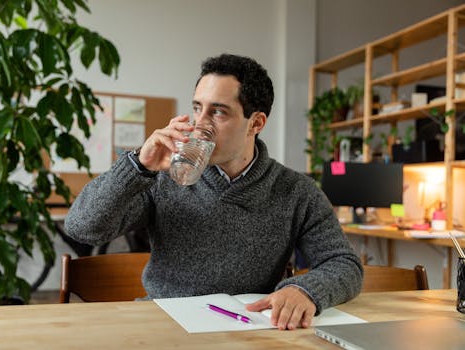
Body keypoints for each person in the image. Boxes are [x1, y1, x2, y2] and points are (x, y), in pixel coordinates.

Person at [65, 53, 363, 330]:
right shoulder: (160, 177)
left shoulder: (296, 191)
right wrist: (136, 167)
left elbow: (344, 263)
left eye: (218, 112)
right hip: (165, 323)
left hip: (249, 327)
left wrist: (306, 290)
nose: (200, 124)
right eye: (197, 108)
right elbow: (82, 228)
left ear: (255, 123)